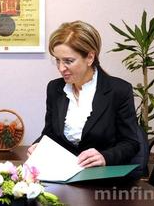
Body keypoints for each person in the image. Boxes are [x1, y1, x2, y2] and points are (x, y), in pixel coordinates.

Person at [28, 21, 140, 168]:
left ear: (90, 57)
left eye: (68, 61)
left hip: (103, 180)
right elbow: (50, 134)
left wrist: (105, 157)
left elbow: (131, 143)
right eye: (57, 60)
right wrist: (38, 146)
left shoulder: (119, 90)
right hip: (63, 174)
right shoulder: (54, 88)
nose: (61, 68)